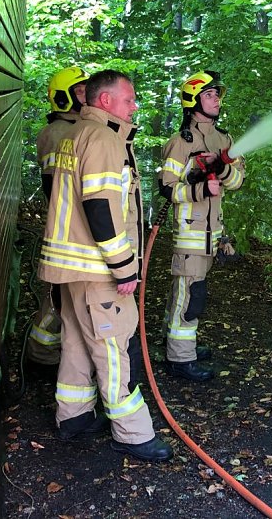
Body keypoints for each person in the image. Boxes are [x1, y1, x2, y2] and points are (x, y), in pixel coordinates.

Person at [38, 70, 173, 462]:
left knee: (78, 343)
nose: (135, 106)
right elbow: (100, 208)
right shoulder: (102, 139)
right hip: (97, 270)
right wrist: (124, 267)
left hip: (72, 269)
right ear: (106, 102)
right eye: (129, 99)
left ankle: (74, 417)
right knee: (115, 349)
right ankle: (132, 433)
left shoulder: (76, 134)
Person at [158, 70, 245, 381]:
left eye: (217, 94)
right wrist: (198, 187)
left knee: (186, 293)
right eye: (209, 94)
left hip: (213, 234)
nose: (216, 99)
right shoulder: (180, 143)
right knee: (190, 295)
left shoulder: (224, 140)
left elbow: (238, 180)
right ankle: (180, 359)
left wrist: (221, 169)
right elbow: (167, 188)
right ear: (193, 100)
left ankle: (177, 343)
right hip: (190, 233)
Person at [26, 66, 90, 370]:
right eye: (79, 91)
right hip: (67, 231)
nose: (86, 96)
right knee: (58, 297)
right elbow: (59, 188)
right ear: (63, 98)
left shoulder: (75, 128)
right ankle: (41, 355)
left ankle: (48, 352)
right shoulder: (58, 133)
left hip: (70, 229)